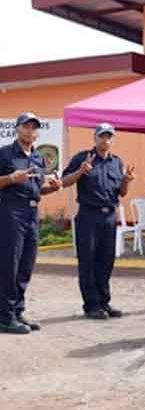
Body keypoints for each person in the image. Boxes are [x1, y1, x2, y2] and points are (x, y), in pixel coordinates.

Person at [60, 123, 136, 320]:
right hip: (88, 215)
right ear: (95, 138)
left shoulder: (116, 162)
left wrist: (126, 181)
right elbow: (63, 181)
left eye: (109, 136)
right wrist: (80, 172)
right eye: (102, 136)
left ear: (113, 139)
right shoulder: (82, 158)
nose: (105, 140)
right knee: (88, 262)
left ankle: (104, 302)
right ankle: (91, 305)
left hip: (109, 216)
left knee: (106, 261)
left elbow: (121, 192)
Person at [0, 112, 62, 334]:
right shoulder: (5, 154)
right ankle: (5, 317)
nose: (30, 131)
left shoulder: (38, 158)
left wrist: (52, 188)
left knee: (26, 264)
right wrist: (10, 178)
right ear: (17, 129)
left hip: (32, 212)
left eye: (34, 127)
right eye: (25, 127)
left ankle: (17, 311)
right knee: (10, 265)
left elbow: (36, 189)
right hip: (10, 213)